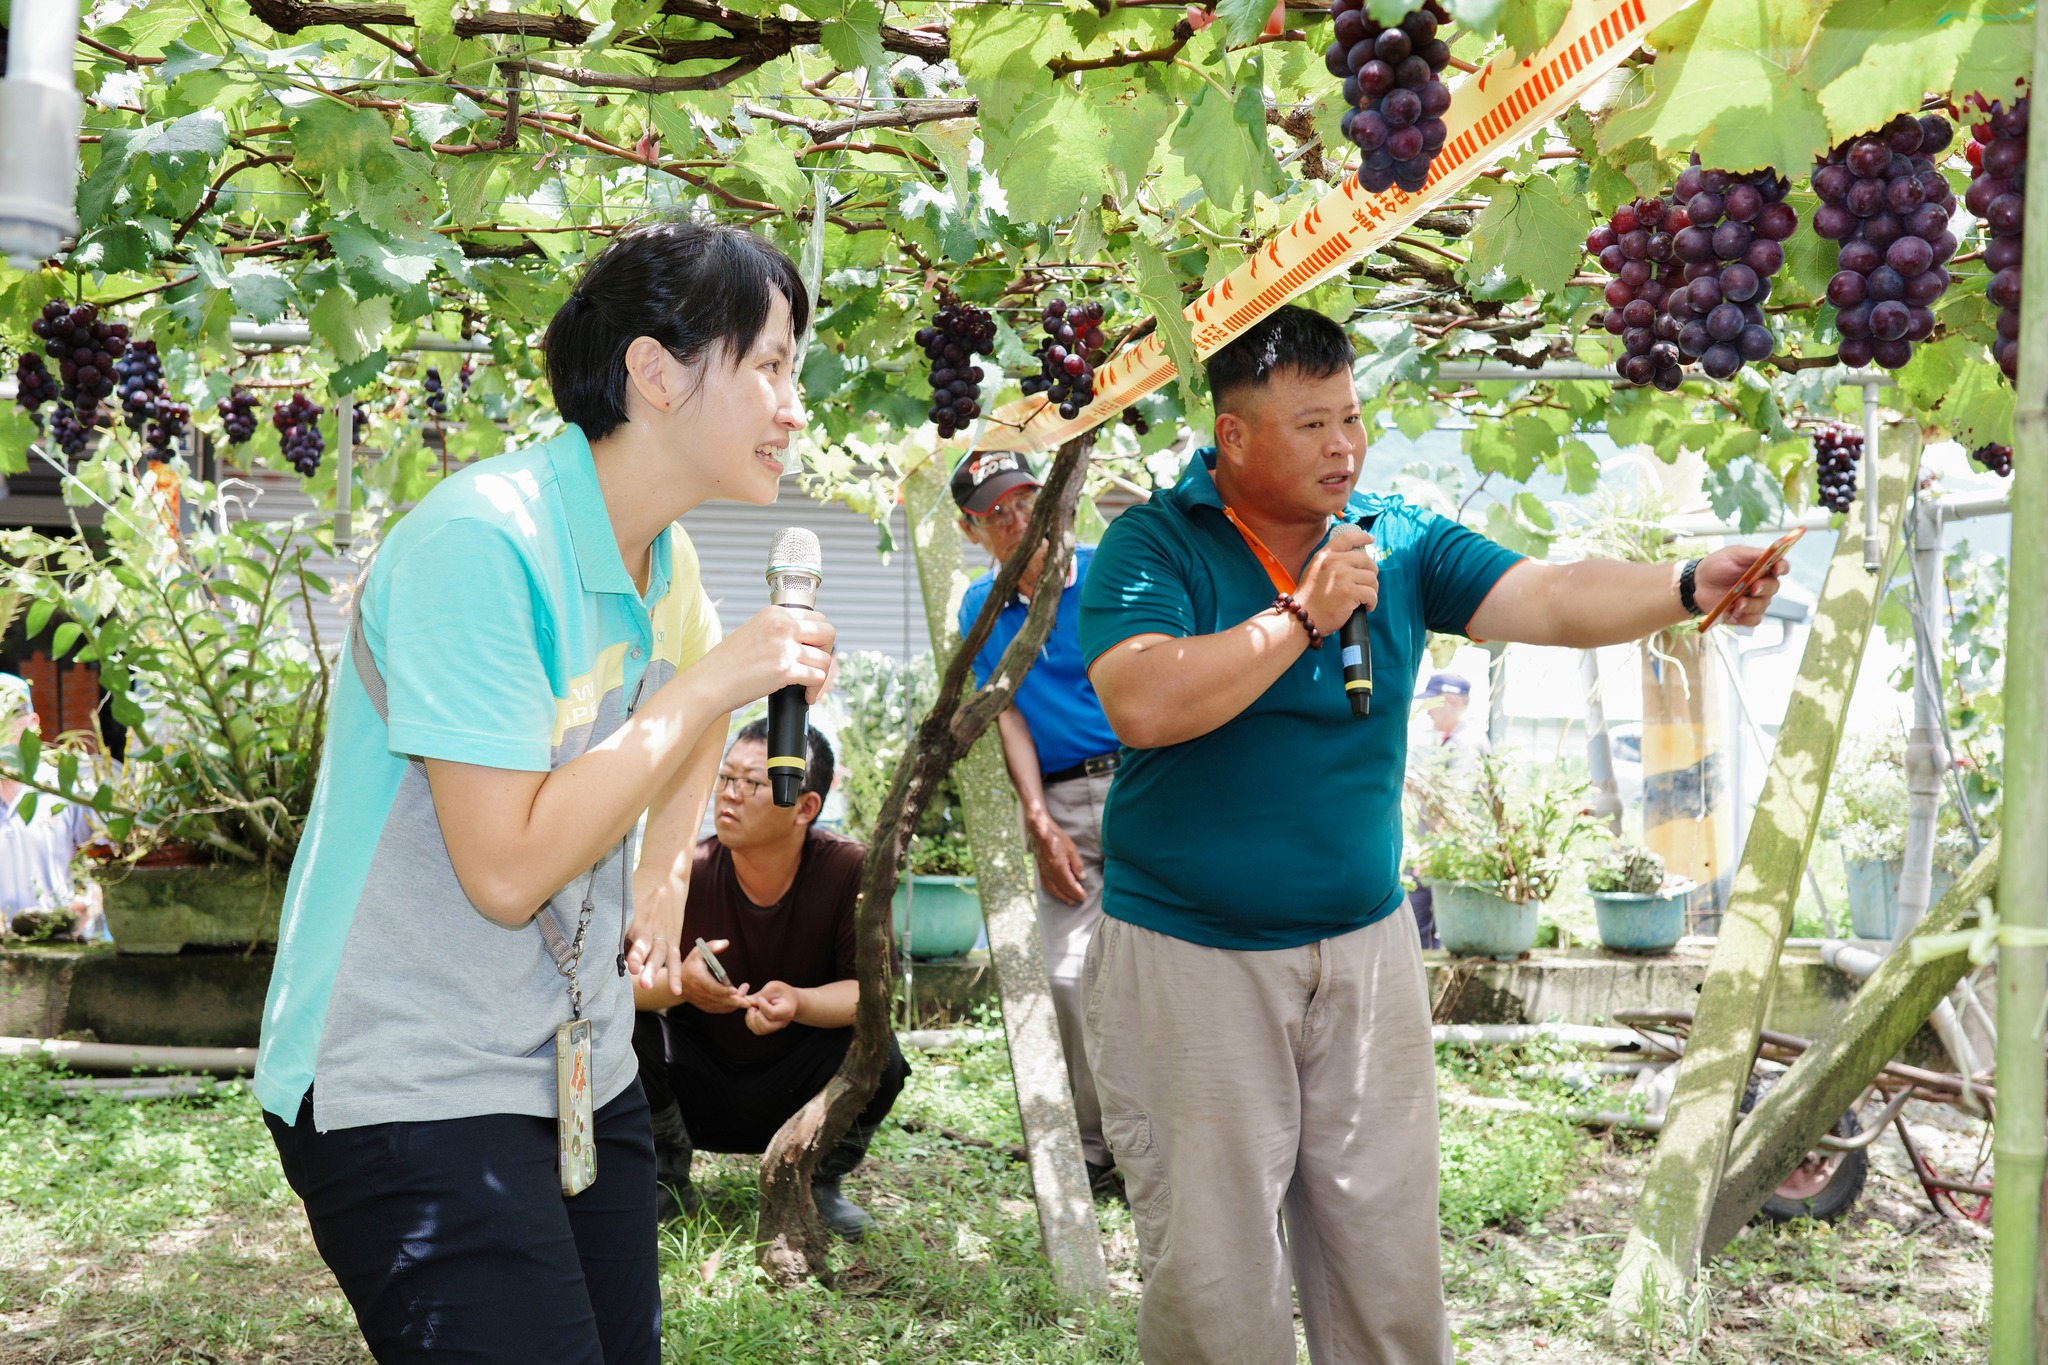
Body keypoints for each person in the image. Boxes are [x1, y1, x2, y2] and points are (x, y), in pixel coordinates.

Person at [1076, 304, 1786, 1365]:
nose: (1343, 446)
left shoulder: (1393, 536)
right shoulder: (1153, 541)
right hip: (1191, 956)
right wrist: (1301, 616)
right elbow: (1141, 701)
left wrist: (1684, 586)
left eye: (1351, 418)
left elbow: (1546, 595)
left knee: (1384, 1255)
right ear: (1231, 436)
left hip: (1363, 949)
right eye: (1312, 424)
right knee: (1215, 1277)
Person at [253, 222, 836, 1365]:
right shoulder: (482, 542)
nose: (793, 406)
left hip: (577, 1065)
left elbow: (703, 705)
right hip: (406, 1077)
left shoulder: (659, 560)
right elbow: (508, 872)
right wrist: (721, 676)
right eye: (767, 365)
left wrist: (663, 880)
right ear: (655, 373)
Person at [631, 719, 907, 1239]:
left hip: (800, 1090)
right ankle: (665, 1176)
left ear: (806, 808)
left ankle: (816, 1182)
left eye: (754, 784)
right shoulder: (684, 872)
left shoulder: (850, 870)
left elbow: (870, 994)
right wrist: (681, 988)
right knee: (624, 1031)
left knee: (881, 1053)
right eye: (726, 778)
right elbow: (618, 988)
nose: (730, 795)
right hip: (697, 1084)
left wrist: (799, 1002)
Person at [951, 449, 1122, 1189]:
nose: (1018, 521)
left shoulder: (1110, 570)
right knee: (1065, 974)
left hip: (1144, 781)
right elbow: (1007, 712)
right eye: (998, 513)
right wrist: (1036, 815)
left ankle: (1159, 1131)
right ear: (972, 530)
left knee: (1165, 969)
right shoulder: (980, 608)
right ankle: (1094, 1144)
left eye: (1027, 501)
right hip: (1059, 795)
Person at [0, 674, 97, 940]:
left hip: (57, 953)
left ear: (33, 724)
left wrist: (88, 904)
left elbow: (107, 860)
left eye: (11, 713)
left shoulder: (65, 790)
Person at [1404, 670, 1489, 949]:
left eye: (1431, 703)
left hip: (1445, 855)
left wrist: (1431, 852)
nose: (1427, 712)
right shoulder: (1449, 739)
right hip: (1439, 852)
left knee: (1422, 929)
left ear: (1450, 701)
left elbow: (1457, 804)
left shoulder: (1466, 744)